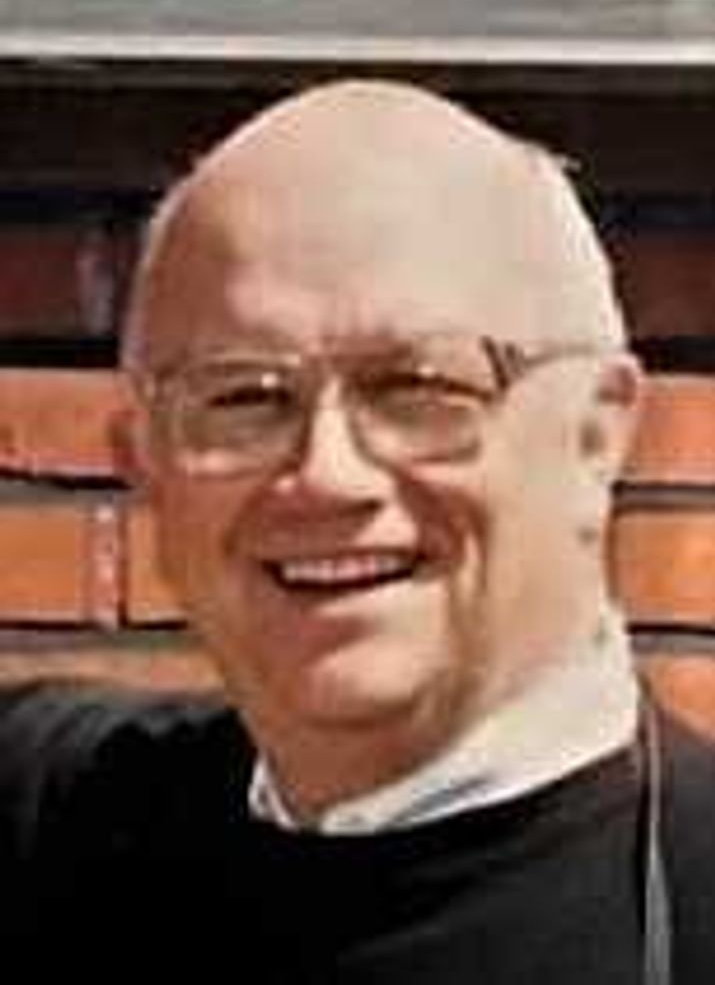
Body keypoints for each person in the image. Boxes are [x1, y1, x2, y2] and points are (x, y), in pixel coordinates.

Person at [0, 78, 714, 982]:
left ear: (596, 434)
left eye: (419, 387)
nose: (325, 474)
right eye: (244, 397)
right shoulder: (60, 824)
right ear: (143, 464)